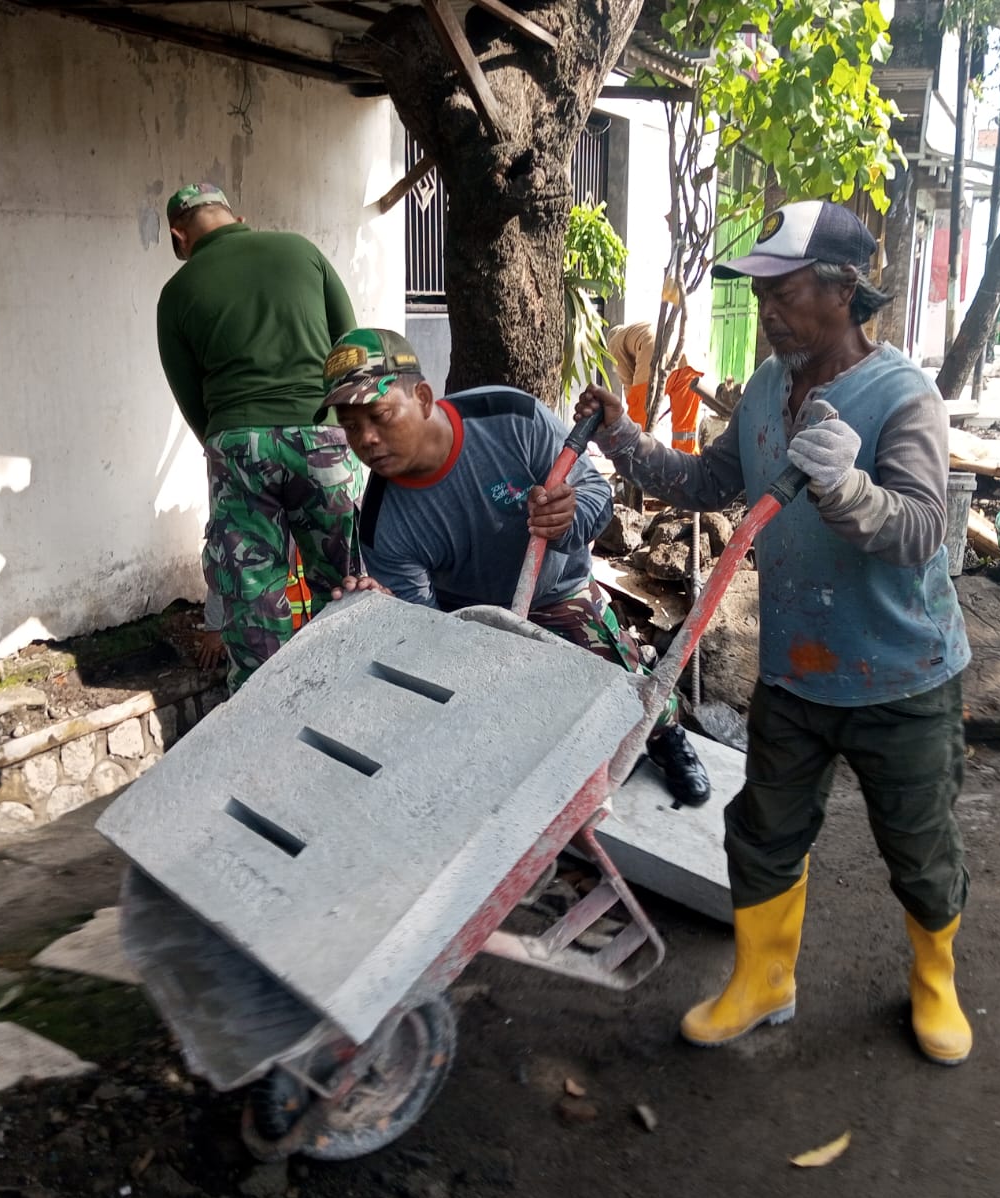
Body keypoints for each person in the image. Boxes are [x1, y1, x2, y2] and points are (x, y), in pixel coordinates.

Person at [576, 200, 973, 1065]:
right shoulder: (764, 387)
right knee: (762, 831)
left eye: (782, 289)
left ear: (841, 291)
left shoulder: (903, 396)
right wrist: (623, 437)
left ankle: (934, 985)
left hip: (903, 673)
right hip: (797, 669)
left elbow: (920, 534)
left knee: (919, 841)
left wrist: (848, 491)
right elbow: (710, 479)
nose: (765, 307)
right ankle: (763, 980)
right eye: (759, 291)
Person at [320, 327, 710, 809]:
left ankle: (665, 734)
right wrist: (386, 616)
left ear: (422, 397)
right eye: (350, 426)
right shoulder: (382, 522)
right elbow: (427, 633)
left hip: (557, 594)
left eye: (378, 416)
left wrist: (567, 520)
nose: (366, 440)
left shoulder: (509, 417)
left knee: (626, 693)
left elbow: (595, 497)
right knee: (503, 737)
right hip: (474, 622)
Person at [156, 183, 364, 691]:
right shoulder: (302, 251)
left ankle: (263, 727)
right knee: (349, 584)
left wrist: (230, 441)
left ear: (179, 235)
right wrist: (335, 428)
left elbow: (190, 397)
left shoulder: (177, 293)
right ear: (236, 216)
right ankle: (356, 690)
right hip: (320, 438)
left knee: (254, 601)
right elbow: (349, 343)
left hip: (238, 443)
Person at [605, 322, 703, 452]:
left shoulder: (615, 342)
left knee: (638, 418)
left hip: (658, 357)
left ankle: (633, 460)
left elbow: (628, 385)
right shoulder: (637, 330)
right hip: (690, 363)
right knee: (685, 430)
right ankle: (689, 463)